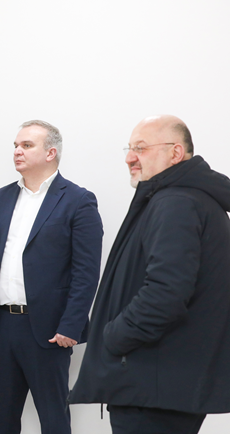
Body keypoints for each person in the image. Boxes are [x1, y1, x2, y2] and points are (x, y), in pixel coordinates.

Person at [69, 115, 230, 434]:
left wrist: (114, 337)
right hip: (165, 384)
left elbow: (166, 294)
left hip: (153, 387)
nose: (130, 157)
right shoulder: (189, 199)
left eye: (141, 148)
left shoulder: (176, 202)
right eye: (129, 148)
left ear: (175, 153)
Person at [0, 120, 103, 434]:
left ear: (51, 153)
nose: (17, 151)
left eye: (26, 145)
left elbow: (86, 272)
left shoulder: (78, 200)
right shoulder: (0, 198)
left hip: (49, 329)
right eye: (15, 145)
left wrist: (71, 325)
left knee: (53, 420)